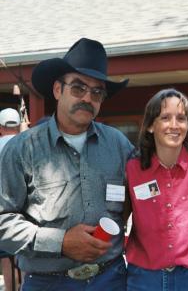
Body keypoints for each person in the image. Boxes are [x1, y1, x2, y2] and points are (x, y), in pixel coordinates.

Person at [0, 38, 134, 291]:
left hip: (111, 279)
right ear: (57, 90)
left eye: (97, 92)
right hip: (47, 283)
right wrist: (60, 241)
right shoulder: (22, 149)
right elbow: (3, 222)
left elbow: (145, 192)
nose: (87, 97)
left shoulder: (118, 145)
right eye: (78, 88)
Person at [125, 89, 188, 291]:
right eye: (165, 118)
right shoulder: (132, 171)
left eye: (181, 118)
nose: (174, 125)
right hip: (144, 280)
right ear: (150, 125)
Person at [0, 108, 21, 291]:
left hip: (1, 214)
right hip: (26, 213)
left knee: (6, 258)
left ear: (0, 127)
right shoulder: (28, 145)